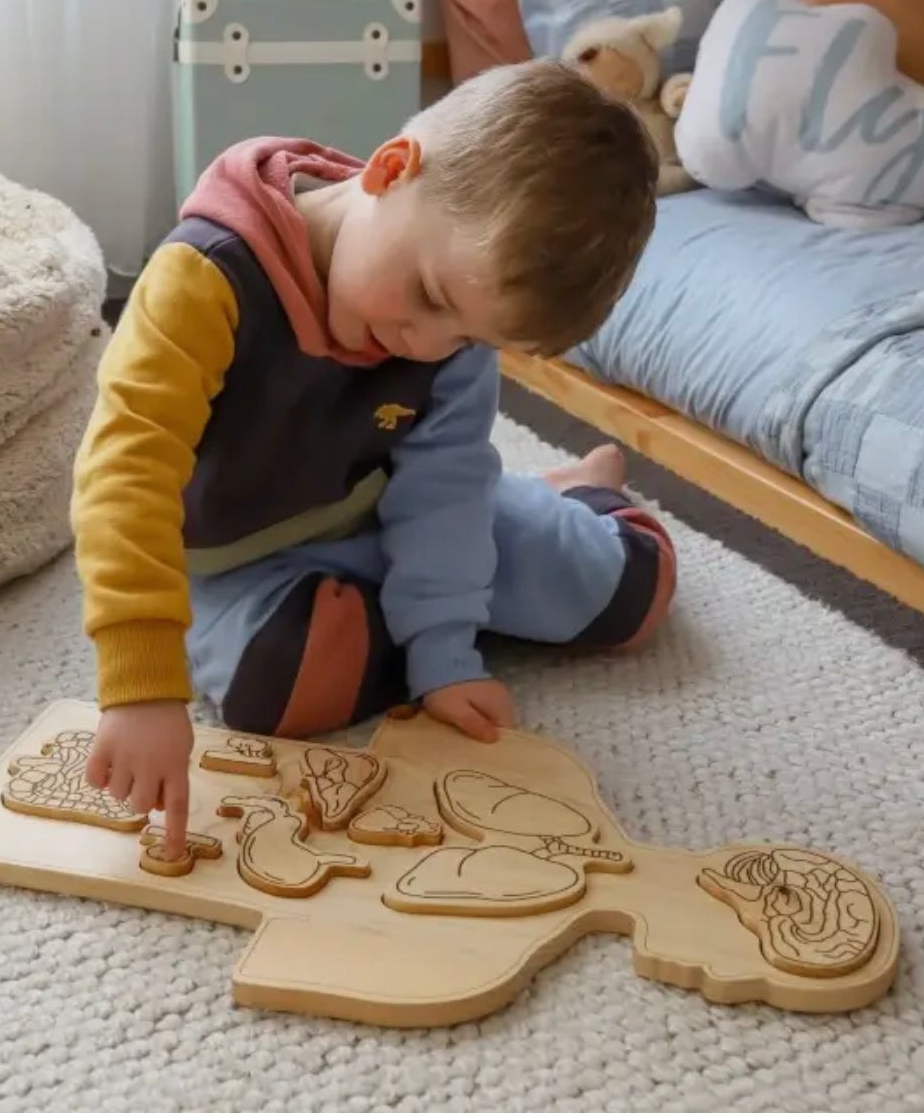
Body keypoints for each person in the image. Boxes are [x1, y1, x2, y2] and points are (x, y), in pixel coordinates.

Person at [71, 59, 676, 859]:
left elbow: (444, 491)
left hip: (383, 514)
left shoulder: (449, 332)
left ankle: (586, 498)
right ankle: (439, 578)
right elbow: (124, 473)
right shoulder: (203, 280)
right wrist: (141, 688)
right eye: (430, 298)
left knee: (633, 595)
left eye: (468, 338)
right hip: (235, 564)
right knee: (278, 689)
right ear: (390, 170)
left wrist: (444, 656)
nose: (426, 345)